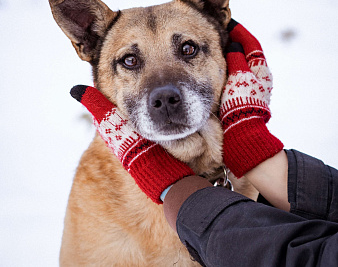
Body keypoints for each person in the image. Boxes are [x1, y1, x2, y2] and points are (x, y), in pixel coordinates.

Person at [70, 19, 338, 266]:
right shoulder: (94, 211)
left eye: (188, 49)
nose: (164, 93)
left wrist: (172, 186)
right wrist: (253, 151)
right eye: (129, 60)